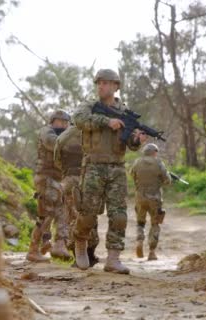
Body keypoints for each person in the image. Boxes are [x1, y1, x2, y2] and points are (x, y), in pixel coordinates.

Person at [72, 69, 147, 273]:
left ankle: (113, 259)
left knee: (119, 215)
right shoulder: (89, 106)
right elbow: (78, 119)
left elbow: (130, 144)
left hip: (117, 167)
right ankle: (80, 241)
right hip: (93, 166)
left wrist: (137, 140)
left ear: (115, 86)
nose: (101, 86)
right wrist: (107, 122)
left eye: (105, 83)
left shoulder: (125, 112)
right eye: (99, 83)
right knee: (87, 213)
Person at [26, 110, 73, 262]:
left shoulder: (64, 136)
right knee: (49, 212)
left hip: (56, 180)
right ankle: (36, 249)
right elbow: (52, 143)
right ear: (53, 121)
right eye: (61, 121)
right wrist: (69, 135)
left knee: (51, 213)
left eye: (66, 122)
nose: (64, 125)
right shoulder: (47, 132)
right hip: (46, 178)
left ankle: (44, 244)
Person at [54, 125, 101, 267]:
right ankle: (91, 254)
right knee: (90, 214)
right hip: (89, 178)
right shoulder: (92, 134)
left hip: (69, 179)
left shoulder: (63, 137)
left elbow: (57, 160)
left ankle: (78, 256)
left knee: (72, 216)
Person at [130, 143, 172, 261]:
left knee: (140, 222)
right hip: (155, 198)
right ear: (154, 152)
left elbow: (132, 175)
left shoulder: (137, 162)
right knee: (155, 224)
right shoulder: (158, 163)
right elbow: (167, 180)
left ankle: (139, 241)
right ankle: (152, 252)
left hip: (140, 197)